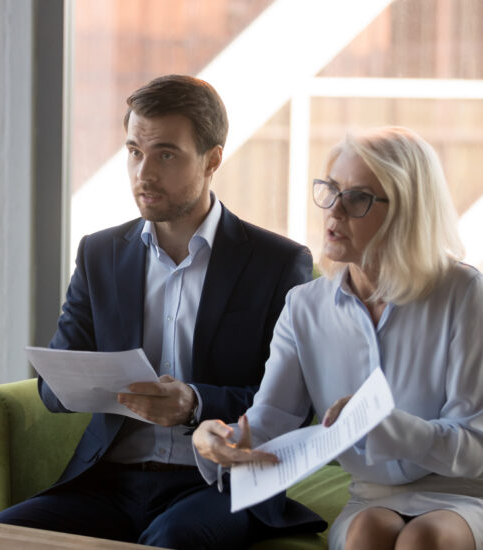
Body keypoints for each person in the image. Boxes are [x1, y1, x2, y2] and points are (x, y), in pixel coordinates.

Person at [0, 75, 325, 549]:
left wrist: (195, 402)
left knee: (171, 540)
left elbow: (294, 406)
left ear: (213, 159)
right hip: (108, 481)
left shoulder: (277, 263)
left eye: (165, 154)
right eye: (134, 151)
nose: (143, 172)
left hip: (219, 484)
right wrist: (78, 383)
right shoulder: (99, 254)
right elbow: (52, 386)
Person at [193, 126, 483, 550]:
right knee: (369, 532)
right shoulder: (304, 306)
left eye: (358, 198)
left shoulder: (464, 293)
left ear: (408, 210)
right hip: (371, 497)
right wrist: (217, 439)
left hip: (460, 493)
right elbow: (271, 419)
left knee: (428, 537)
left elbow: (473, 446)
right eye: (331, 190)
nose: (335, 210)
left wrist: (387, 427)